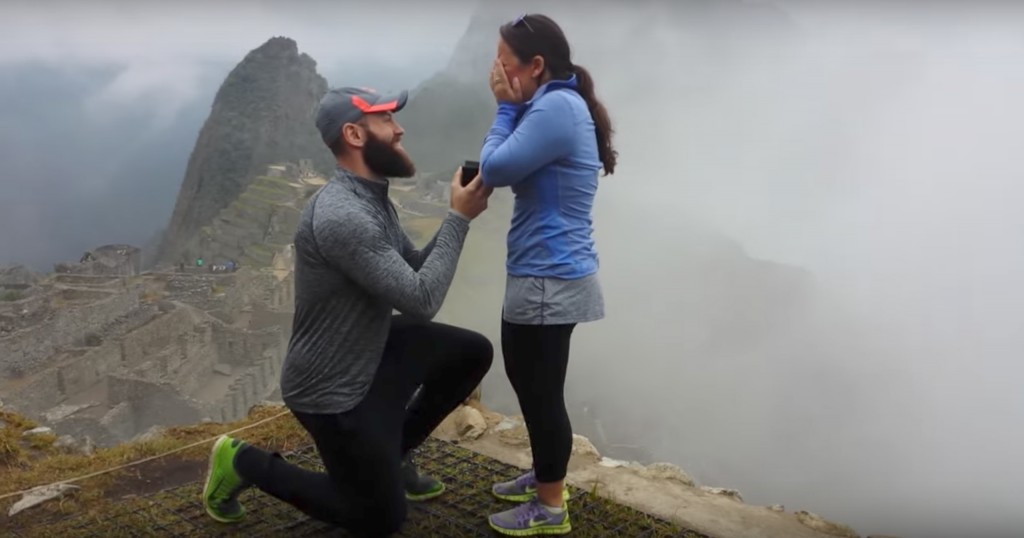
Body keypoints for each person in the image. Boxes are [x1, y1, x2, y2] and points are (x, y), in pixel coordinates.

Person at [201, 86, 494, 537]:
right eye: (387, 121)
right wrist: (456, 220)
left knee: (472, 353)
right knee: (379, 519)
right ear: (355, 134)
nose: (400, 130)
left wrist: (461, 218)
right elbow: (421, 300)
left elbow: (413, 269)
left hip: (369, 351)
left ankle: (387, 456)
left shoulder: (371, 196)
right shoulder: (343, 215)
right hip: (331, 388)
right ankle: (241, 461)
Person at [479, 13, 617, 536]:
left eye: (504, 63)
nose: (497, 72)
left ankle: (550, 505)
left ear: (535, 65)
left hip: (548, 277)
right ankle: (543, 474)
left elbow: (495, 169)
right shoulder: (553, 103)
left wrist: (503, 108)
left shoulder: (555, 107)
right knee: (531, 382)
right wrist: (516, 106)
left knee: (538, 390)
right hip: (546, 271)